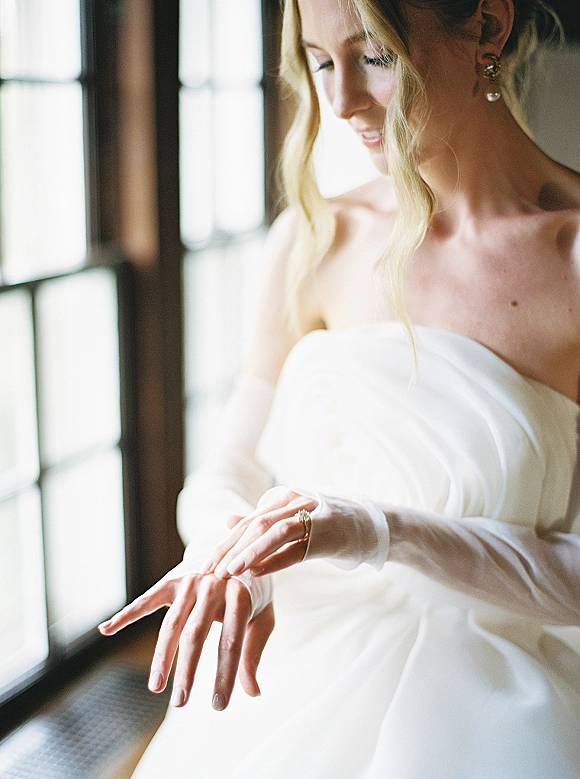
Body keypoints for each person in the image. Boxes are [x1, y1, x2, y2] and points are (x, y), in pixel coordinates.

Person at [99, 0, 580, 775]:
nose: (343, 99)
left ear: (489, 26)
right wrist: (237, 554)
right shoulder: (315, 237)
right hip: (291, 677)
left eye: (376, 55)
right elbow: (230, 466)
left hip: (496, 705)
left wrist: (371, 528)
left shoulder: (571, 257)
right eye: (322, 62)